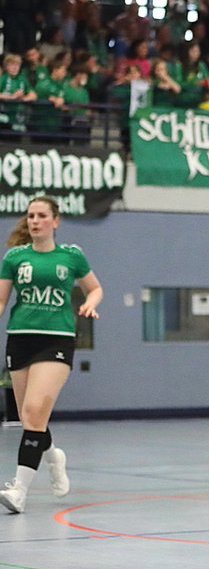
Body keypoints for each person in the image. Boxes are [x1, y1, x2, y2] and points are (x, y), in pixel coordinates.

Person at [0, 196, 103, 513]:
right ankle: (53, 455)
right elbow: (2, 301)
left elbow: (95, 288)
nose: (34, 221)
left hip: (56, 339)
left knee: (33, 411)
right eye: (30, 215)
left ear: (55, 221)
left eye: (42, 215)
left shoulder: (71, 256)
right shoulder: (15, 257)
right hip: (20, 339)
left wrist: (90, 303)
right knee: (30, 418)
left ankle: (19, 490)